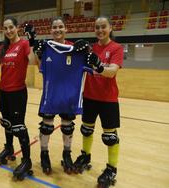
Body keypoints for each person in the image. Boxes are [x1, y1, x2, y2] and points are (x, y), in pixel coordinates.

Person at [33, 17, 89, 175]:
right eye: (54, 27)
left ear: (66, 29)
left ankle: (67, 154)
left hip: (69, 94)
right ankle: (44, 154)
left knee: (67, 126)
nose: (57, 30)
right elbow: (40, 67)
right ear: (51, 31)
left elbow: (89, 62)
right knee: (46, 126)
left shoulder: (76, 49)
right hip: (50, 93)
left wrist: (87, 49)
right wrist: (37, 51)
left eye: (60, 27)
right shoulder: (46, 48)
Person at [73, 16, 124, 188]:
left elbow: (112, 72)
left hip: (108, 99)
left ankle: (111, 168)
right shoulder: (91, 48)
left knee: (110, 137)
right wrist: (75, 48)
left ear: (110, 28)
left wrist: (100, 67)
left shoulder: (116, 48)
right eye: (97, 27)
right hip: (89, 96)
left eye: (103, 27)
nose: (100, 30)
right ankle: (85, 156)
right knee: (86, 130)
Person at [0, 16, 36, 180]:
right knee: (7, 122)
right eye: (5, 29)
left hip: (17, 92)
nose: (8, 31)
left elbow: (33, 62)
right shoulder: (3, 47)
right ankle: (9, 148)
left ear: (17, 28)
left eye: (11, 27)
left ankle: (27, 160)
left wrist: (32, 40)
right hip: (3, 91)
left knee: (19, 127)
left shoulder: (24, 44)